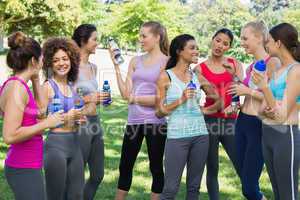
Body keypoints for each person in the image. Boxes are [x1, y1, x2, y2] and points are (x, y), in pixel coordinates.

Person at [109, 21, 169, 200]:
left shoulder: (167, 62)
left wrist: (135, 98)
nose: (140, 39)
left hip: (155, 123)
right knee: (125, 165)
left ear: (157, 37)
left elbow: (161, 100)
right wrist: (116, 67)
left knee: (156, 167)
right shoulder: (135, 61)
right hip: (134, 121)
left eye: (144, 36)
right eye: (140, 35)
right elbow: (125, 93)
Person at [0, 32, 63, 200]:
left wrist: (35, 79)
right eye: (41, 58)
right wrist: (47, 124)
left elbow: (41, 111)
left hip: (29, 163)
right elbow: (9, 135)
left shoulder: (21, 84)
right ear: (34, 61)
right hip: (22, 165)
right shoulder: (17, 88)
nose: (43, 62)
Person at [227, 21, 280, 200]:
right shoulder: (251, 66)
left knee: (249, 188)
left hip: (258, 125)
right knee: (246, 181)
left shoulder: (272, 62)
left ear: (258, 38)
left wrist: (247, 91)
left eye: (245, 38)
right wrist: (234, 103)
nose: (241, 42)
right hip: (242, 122)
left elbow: (274, 98)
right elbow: (245, 93)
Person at [156, 34, 210, 200]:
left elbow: (217, 97)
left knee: (194, 188)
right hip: (177, 137)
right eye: (192, 48)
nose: (197, 51)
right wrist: (181, 99)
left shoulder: (197, 76)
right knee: (170, 189)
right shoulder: (166, 76)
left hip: (201, 135)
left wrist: (205, 109)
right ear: (179, 51)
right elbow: (159, 112)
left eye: (197, 47)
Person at [253, 22, 300, 200]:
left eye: (270, 41)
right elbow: (261, 111)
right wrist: (275, 103)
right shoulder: (277, 71)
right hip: (268, 134)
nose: (267, 45)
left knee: (288, 195)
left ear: (278, 43)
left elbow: (280, 116)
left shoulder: (295, 70)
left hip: (285, 136)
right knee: (278, 194)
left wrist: (264, 88)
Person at [197, 28, 243, 200]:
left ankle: (253, 194)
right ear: (212, 39)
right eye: (218, 40)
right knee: (213, 167)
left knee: (241, 164)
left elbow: (240, 92)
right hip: (210, 122)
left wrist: (235, 77)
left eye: (225, 43)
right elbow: (209, 95)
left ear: (229, 47)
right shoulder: (199, 69)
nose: (220, 46)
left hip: (231, 122)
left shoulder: (235, 64)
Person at [42, 37, 85, 200]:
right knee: (55, 196)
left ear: (72, 60)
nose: (61, 63)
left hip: (75, 144)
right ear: (50, 64)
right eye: (56, 60)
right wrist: (68, 117)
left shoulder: (73, 86)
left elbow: (75, 115)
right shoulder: (47, 87)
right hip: (55, 146)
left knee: (76, 195)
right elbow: (40, 122)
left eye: (65, 59)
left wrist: (78, 120)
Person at [72, 24, 110, 200]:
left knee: (98, 175)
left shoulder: (94, 67)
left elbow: (92, 96)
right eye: (94, 39)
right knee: (76, 175)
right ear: (82, 40)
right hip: (80, 123)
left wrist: (100, 98)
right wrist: (88, 98)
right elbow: (59, 97)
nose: (97, 42)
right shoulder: (69, 66)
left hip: (95, 122)